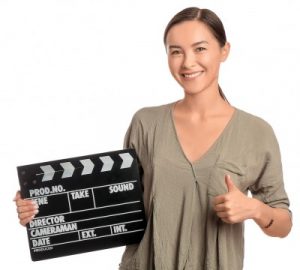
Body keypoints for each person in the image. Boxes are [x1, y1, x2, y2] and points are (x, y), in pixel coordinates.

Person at [14, 7, 292, 270]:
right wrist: (45, 211)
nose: (188, 62)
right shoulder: (146, 123)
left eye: (200, 48)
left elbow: (283, 223)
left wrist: (255, 209)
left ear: (224, 51)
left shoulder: (257, 132)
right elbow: (115, 204)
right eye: (176, 51)